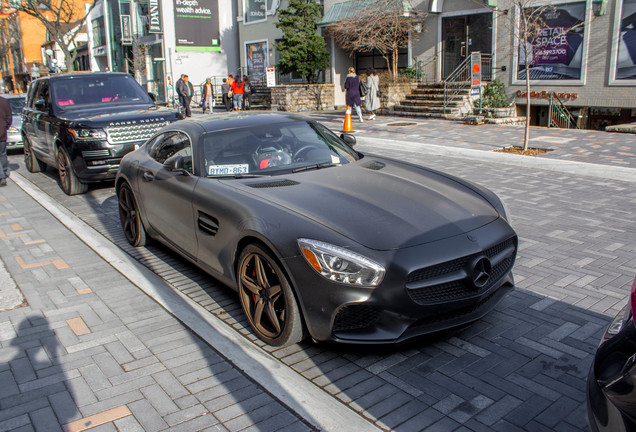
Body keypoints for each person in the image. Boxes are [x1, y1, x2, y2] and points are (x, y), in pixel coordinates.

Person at [0, 95, 11, 186]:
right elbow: (9, 117)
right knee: (2, 154)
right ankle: (3, 171)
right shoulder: (4, 101)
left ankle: (1, 176)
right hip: (2, 132)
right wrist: (5, 127)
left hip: (2, 131)